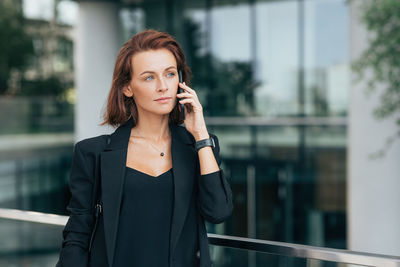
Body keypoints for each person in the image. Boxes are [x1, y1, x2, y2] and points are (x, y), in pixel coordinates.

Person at [55, 29, 233, 267]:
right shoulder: (93, 153)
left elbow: (218, 211)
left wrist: (200, 136)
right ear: (127, 87)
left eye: (170, 74)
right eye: (149, 77)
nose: (163, 86)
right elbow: (78, 234)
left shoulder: (200, 147)